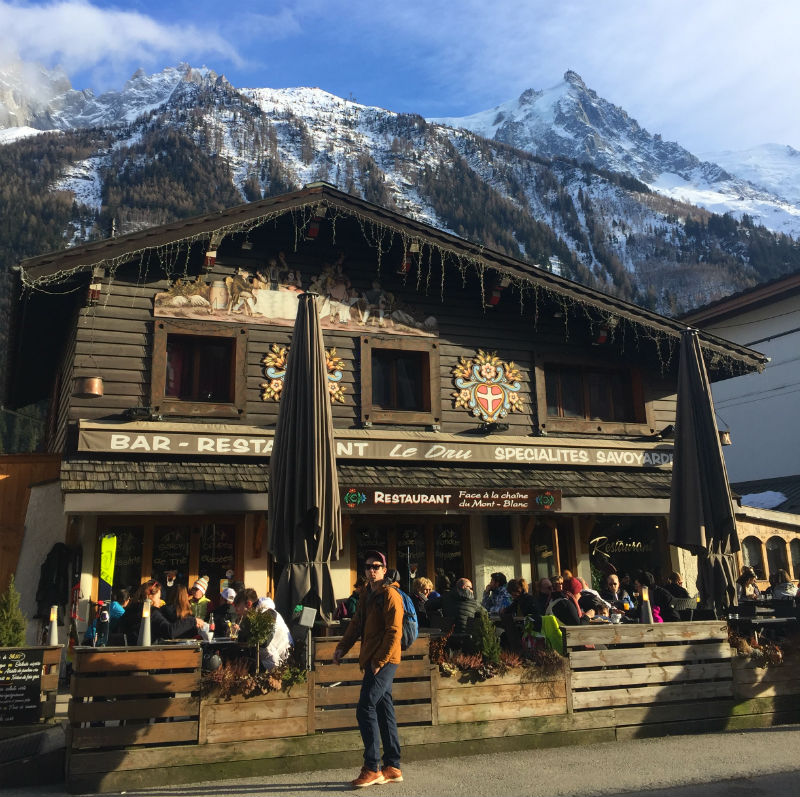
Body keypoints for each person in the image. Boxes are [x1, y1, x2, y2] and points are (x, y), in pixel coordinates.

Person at [333, 551, 404, 788]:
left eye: (376, 566)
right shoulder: (366, 594)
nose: (371, 570)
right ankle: (393, 766)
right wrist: (342, 648)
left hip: (384, 661)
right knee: (384, 708)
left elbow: (395, 632)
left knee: (365, 708)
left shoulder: (391, 595)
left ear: (384, 570)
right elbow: (356, 624)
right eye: (367, 566)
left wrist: (379, 662)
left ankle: (372, 767)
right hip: (374, 660)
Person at [233, 589, 293, 669]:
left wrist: (244, 635)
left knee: (239, 666)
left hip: (281, 661)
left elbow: (264, 641)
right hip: (269, 659)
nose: (236, 611)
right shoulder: (253, 617)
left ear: (248, 604)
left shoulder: (268, 614)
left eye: (238, 607)